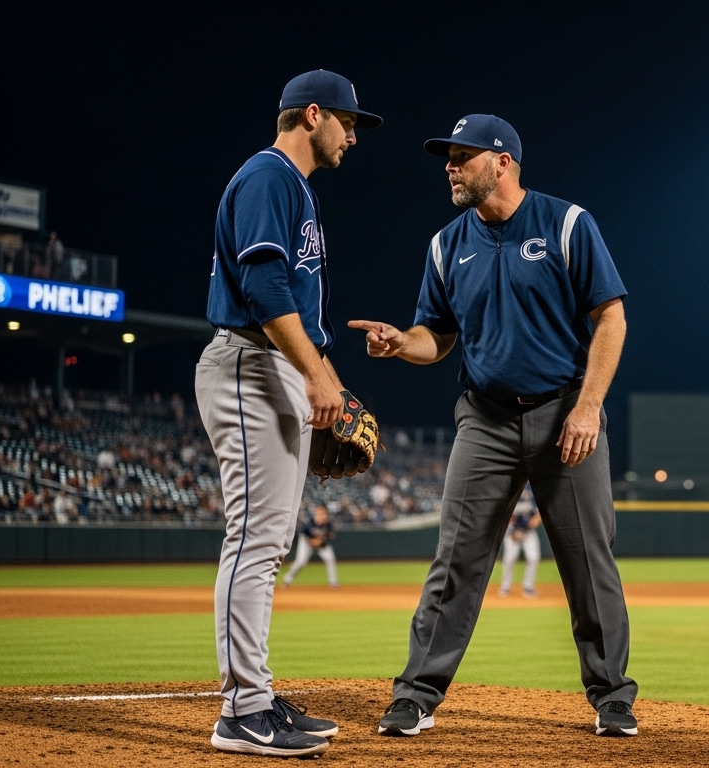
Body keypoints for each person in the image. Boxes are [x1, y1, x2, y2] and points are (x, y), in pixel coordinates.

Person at [348, 113, 637, 738]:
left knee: (590, 561)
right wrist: (403, 343)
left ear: (502, 161)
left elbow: (609, 318)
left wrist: (588, 407)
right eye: (447, 158)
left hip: (566, 412)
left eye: (462, 156)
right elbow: (437, 337)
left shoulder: (566, 223)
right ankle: (417, 693)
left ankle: (612, 696)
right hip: (484, 417)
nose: (449, 167)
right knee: (456, 558)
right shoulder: (447, 243)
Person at [195, 69, 380, 758]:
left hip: (268, 366)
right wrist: (318, 372)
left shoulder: (290, 185)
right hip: (250, 361)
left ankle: (256, 695)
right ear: (311, 115)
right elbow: (266, 284)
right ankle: (241, 712)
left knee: (268, 544)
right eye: (348, 121)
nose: (354, 135)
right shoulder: (270, 176)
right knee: (255, 541)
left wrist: (310, 373)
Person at [498, 484, 543, 598]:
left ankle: (528, 587)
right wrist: (512, 531)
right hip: (511, 531)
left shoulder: (532, 489)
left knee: (533, 557)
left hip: (528, 531)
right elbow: (504, 513)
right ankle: (505, 586)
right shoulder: (509, 488)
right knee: (509, 558)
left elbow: (538, 514)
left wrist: (527, 527)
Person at [283, 504, 339, 588]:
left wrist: (321, 540)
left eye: (322, 512)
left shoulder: (328, 523)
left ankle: (333, 582)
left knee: (330, 558)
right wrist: (312, 541)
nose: (321, 514)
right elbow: (303, 534)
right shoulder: (310, 522)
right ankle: (287, 579)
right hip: (306, 542)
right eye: (319, 512)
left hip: (321, 543)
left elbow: (331, 535)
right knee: (301, 561)